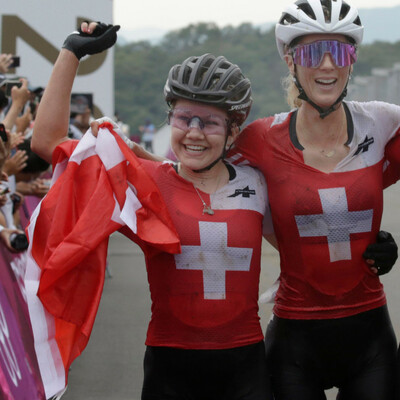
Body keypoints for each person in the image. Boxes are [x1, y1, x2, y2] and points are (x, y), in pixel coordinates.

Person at [31, 22, 274, 400]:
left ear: (234, 129)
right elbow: (47, 143)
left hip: (247, 369)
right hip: (169, 369)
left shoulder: (258, 183)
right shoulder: (144, 183)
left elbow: (302, 249)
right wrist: (71, 54)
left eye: (209, 122)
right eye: (182, 118)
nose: (194, 132)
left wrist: (373, 249)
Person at [226, 1, 400, 399]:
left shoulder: (383, 121)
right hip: (295, 340)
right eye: (310, 52)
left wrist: (384, 244)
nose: (326, 65)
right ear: (290, 61)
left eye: (339, 50)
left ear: (352, 59)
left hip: (370, 334)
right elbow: (186, 174)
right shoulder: (258, 138)